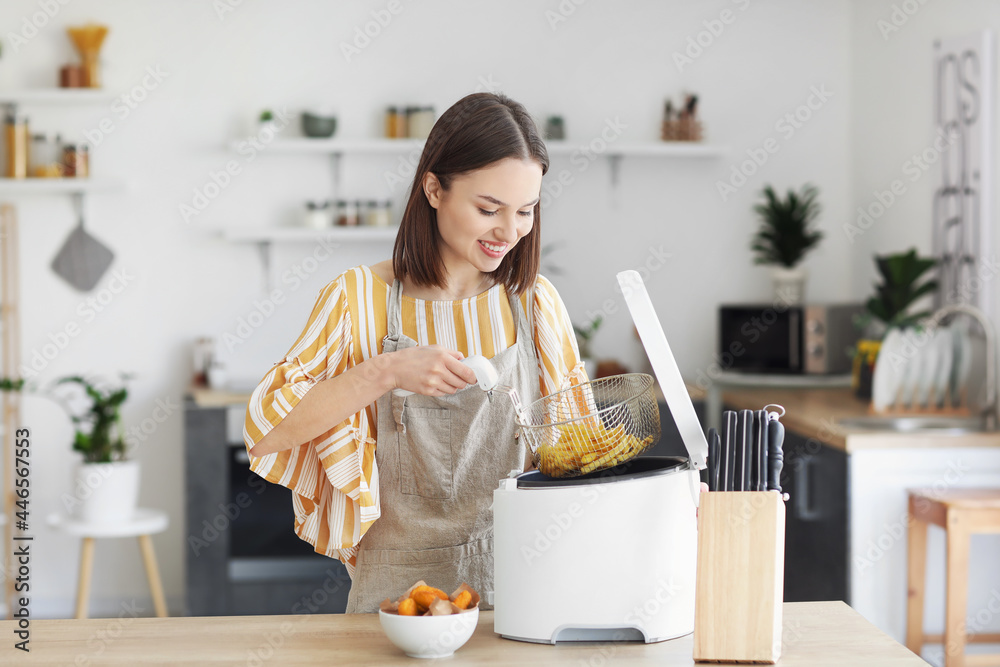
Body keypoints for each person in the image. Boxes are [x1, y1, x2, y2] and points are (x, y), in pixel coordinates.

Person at [243, 92, 586, 613]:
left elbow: (580, 457)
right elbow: (267, 431)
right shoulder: (358, 299)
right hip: (394, 597)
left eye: (526, 212)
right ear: (433, 188)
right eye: (488, 209)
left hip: (520, 584)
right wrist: (384, 371)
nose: (509, 232)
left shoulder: (535, 304)